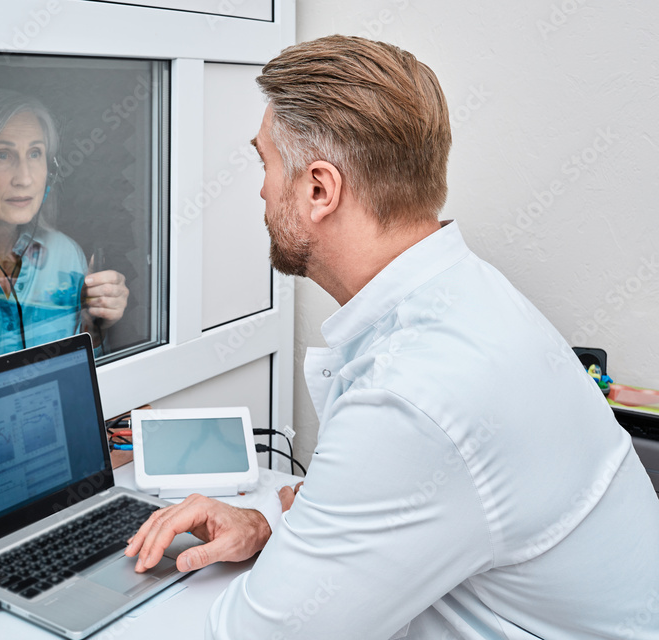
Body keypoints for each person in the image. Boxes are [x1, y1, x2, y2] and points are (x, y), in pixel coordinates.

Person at [126, 36, 659, 639]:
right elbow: (372, 497)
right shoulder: (463, 294)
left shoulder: (415, 391)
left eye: (265, 164)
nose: (262, 190)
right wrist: (266, 520)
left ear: (319, 190)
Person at [0, 89, 128, 365]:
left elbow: (82, 375)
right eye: (2, 155)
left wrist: (92, 328)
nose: (25, 178)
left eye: (35, 153)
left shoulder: (65, 254)